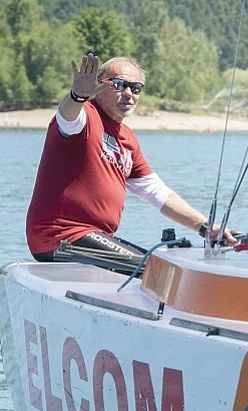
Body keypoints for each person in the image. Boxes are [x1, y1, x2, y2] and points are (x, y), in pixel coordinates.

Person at [26, 53, 236, 267]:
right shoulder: (85, 117)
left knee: (161, 265)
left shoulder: (127, 139)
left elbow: (155, 191)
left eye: (136, 88)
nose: (128, 94)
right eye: (119, 85)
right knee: (151, 270)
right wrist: (77, 96)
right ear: (99, 85)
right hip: (61, 235)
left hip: (94, 237)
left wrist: (204, 227)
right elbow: (66, 117)